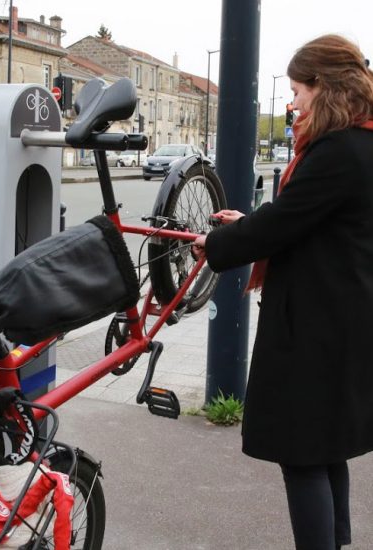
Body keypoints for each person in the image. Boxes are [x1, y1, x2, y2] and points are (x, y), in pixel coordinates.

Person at [192, 34, 373, 550]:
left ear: (326, 87)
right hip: (341, 315)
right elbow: (307, 222)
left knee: (302, 455)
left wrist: (220, 241)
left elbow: (285, 224)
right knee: (324, 448)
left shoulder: (338, 151)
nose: (292, 101)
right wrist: (249, 223)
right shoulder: (361, 143)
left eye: (297, 89)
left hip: (317, 327)